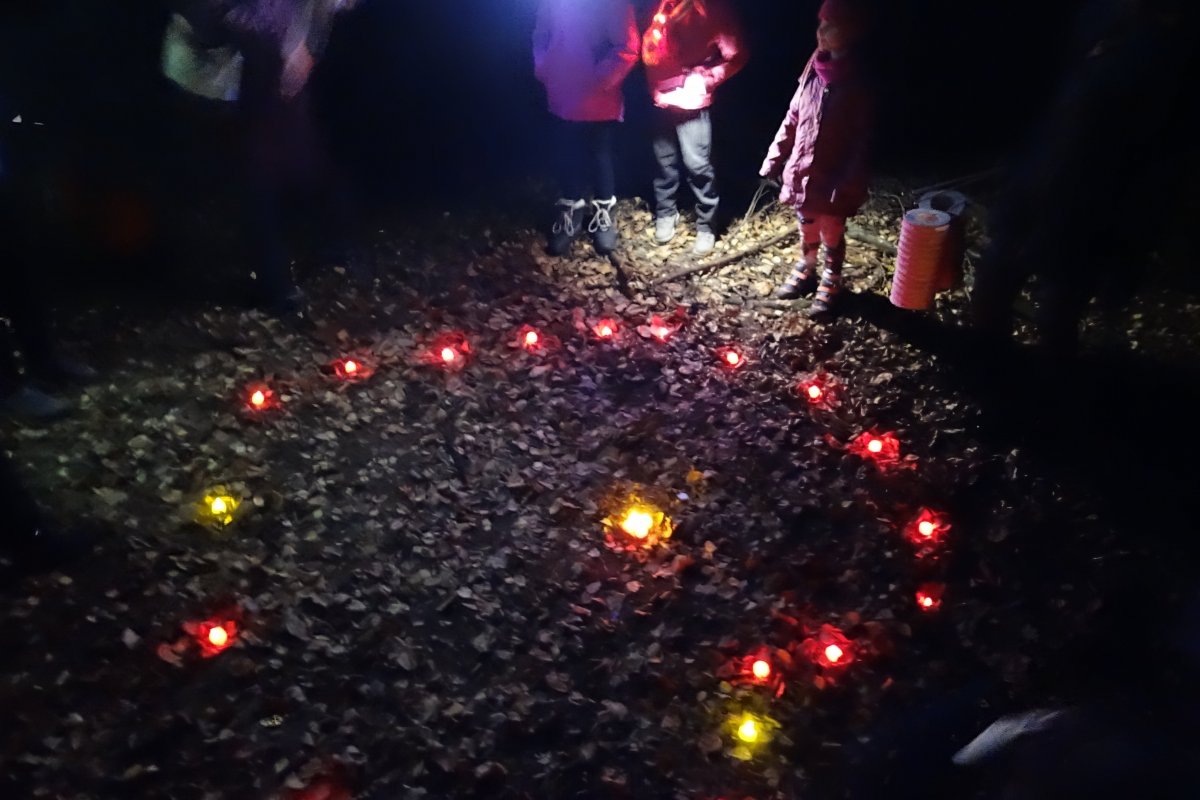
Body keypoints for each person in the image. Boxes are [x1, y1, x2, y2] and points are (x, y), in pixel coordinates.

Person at [971, 0, 1193, 353]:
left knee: (1059, 308)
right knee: (994, 285)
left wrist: (1131, 251)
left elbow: (1164, 162)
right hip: (1037, 180)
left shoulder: (1175, 54)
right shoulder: (1100, 16)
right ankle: (986, 362)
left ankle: (1047, 376)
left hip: (1094, 204)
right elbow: (1052, 97)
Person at [163, 0, 363, 315]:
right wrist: (279, 48)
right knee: (254, 176)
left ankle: (333, 249)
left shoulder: (315, 10)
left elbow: (322, 17)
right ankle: (275, 286)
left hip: (263, 70)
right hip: (211, 73)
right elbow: (215, 15)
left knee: (303, 161)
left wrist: (305, 53)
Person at [759, 0, 873, 317]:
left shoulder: (857, 82)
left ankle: (831, 277)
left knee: (831, 229)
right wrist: (774, 157)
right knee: (806, 222)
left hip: (834, 177)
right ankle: (806, 266)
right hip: (803, 170)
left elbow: (862, 141)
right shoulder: (813, 71)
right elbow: (793, 118)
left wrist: (848, 180)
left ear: (850, 32)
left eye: (831, 26)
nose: (821, 31)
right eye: (820, 24)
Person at [533, 0, 639, 257]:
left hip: (598, 95)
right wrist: (544, 67)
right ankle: (571, 209)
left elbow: (628, 46)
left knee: (600, 154)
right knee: (567, 153)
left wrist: (600, 77)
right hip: (562, 89)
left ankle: (604, 213)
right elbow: (542, 33)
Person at [642, 0, 746, 256]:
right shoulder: (657, 6)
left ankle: (706, 224)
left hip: (691, 101)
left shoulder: (711, 9)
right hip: (660, 98)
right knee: (663, 162)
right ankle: (666, 212)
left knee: (698, 165)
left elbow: (737, 55)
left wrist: (707, 78)